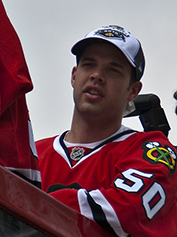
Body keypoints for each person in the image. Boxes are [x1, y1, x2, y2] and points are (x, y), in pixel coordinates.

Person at [36, 25, 177, 237]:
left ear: (133, 90)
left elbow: (125, 210)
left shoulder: (153, 150)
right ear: (74, 76)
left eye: (113, 69)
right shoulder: (33, 153)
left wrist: (37, 203)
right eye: (88, 64)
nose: (97, 75)